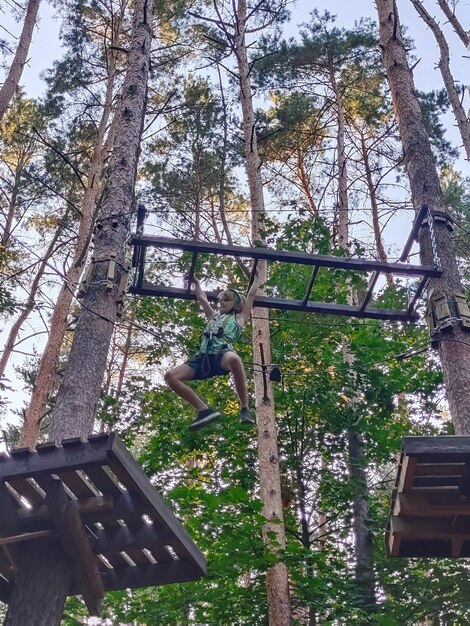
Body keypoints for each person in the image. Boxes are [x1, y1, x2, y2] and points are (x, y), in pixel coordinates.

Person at [164, 271, 261, 431]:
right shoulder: (213, 316)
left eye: (226, 300)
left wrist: (256, 281)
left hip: (221, 354)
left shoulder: (240, 318)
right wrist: (196, 282)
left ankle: (244, 408)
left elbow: (250, 297)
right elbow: (202, 298)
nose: (221, 303)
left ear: (237, 305)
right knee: (170, 376)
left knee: (235, 359)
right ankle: (203, 410)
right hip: (202, 357)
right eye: (220, 301)